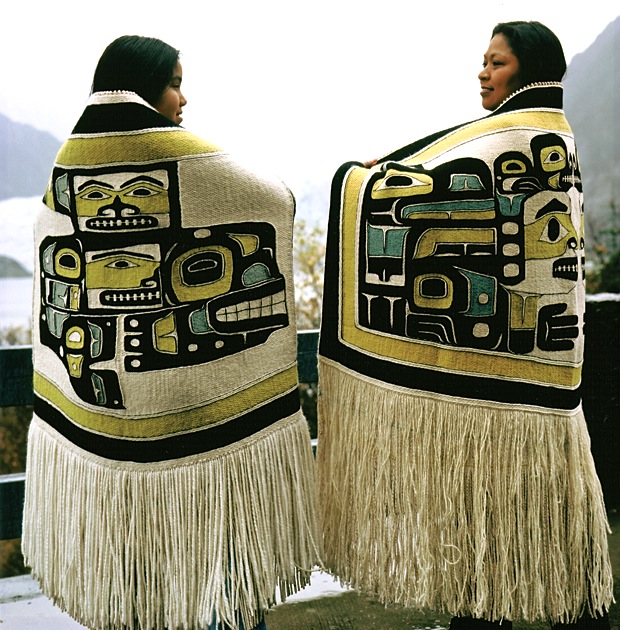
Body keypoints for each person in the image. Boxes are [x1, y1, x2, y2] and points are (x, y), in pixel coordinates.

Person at [317, 21, 613, 629]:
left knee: (527, 515)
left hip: (534, 363)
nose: (482, 72)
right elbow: (450, 189)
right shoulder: (519, 140)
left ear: (529, 73)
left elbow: (434, 190)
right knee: (505, 519)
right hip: (539, 371)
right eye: (483, 61)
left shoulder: (531, 141)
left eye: (496, 62)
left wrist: (363, 183)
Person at [22, 35, 319, 630]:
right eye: (176, 81)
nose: (185, 97)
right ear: (146, 84)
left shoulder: (69, 165)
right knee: (222, 582)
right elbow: (273, 197)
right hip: (199, 420)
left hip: (111, 432)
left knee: (148, 581)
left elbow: (49, 237)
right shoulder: (194, 158)